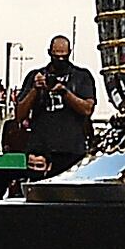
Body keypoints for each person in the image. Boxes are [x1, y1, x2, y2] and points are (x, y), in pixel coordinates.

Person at [19, 32, 99, 175]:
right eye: (56, 56)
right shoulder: (35, 76)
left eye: (64, 56)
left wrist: (65, 92)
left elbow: (87, 109)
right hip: (41, 150)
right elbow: (19, 114)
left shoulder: (81, 76)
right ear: (49, 53)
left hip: (71, 148)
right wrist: (35, 90)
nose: (60, 60)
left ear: (69, 53)